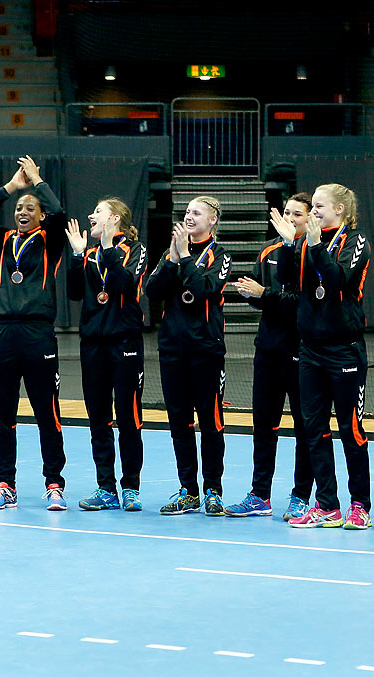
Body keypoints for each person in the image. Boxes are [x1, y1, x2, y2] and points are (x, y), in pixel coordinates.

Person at [0, 155, 69, 510]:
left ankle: (54, 483)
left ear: (40, 215)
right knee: (2, 415)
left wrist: (38, 181)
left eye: (30, 207)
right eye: (19, 207)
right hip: (1, 335)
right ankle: (5, 484)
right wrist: (12, 187)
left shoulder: (51, 240)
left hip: (37, 333)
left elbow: (59, 214)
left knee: (47, 412)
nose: (22, 211)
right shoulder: (4, 241)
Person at [272, 184, 373, 529]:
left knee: (351, 430)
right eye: (311, 206)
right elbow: (285, 281)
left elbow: (337, 280)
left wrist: (313, 246)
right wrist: (288, 245)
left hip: (344, 349)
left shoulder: (355, 242)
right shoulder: (303, 242)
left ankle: (360, 504)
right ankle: (327, 505)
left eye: (318, 206)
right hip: (310, 350)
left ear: (340, 210)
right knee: (314, 430)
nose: (312, 211)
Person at [228, 193, 315, 521]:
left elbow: (303, 302)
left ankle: (300, 496)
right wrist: (255, 295)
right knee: (264, 425)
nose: (291, 218)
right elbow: (260, 295)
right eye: (288, 213)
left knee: (304, 428)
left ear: (310, 220)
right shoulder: (267, 251)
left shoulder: (313, 255)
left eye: (298, 214)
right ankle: (259, 495)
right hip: (267, 351)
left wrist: (267, 295)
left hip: (301, 353)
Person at [146, 196, 232, 516]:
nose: (190, 216)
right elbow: (152, 292)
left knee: (210, 423)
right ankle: (189, 490)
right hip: (172, 350)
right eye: (187, 212)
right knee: (179, 423)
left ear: (213, 221)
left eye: (197, 212)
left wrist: (183, 257)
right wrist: (172, 259)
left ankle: (212, 490)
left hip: (206, 351)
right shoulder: (171, 252)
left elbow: (202, 291)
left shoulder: (220, 255)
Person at [65, 197, 149, 511]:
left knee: (128, 419)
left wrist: (111, 246)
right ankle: (106, 488)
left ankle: (130, 487)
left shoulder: (135, 250)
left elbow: (126, 285)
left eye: (97, 211)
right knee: (98, 420)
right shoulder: (88, 254)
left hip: (125, 344)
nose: (90, 214)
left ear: (113, 218)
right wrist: (76, 255)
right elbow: (74, 293)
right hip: (92, 346)